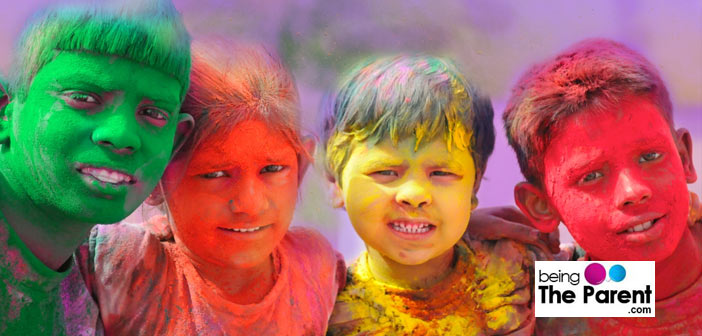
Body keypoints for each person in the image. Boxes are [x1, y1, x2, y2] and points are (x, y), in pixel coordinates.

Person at [76, 41, 346, 335]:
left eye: (272, 170)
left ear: (301, 168)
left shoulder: (316, 266)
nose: (249, 204)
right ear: (154, 180)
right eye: (215, 174)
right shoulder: (123, 266)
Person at [0, 1, 192, 334]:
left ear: (175, 143)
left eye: (154, 114)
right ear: (6, 108)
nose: (122, 136)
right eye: (84, 98)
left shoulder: (99, 287)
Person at [323, 55, 539, 335]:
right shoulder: (325, 311)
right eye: (385, 172)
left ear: (474, 185)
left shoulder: (514, 269)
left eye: (441, 173)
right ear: (335, 183)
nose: (415, 194)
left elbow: (612, 295)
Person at [503, 38, 702, 334]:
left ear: (684, 158)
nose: (633, 191)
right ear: (541, 206)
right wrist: (464, 231)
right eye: (591, 176)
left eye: (650, 156)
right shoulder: (549, 300)